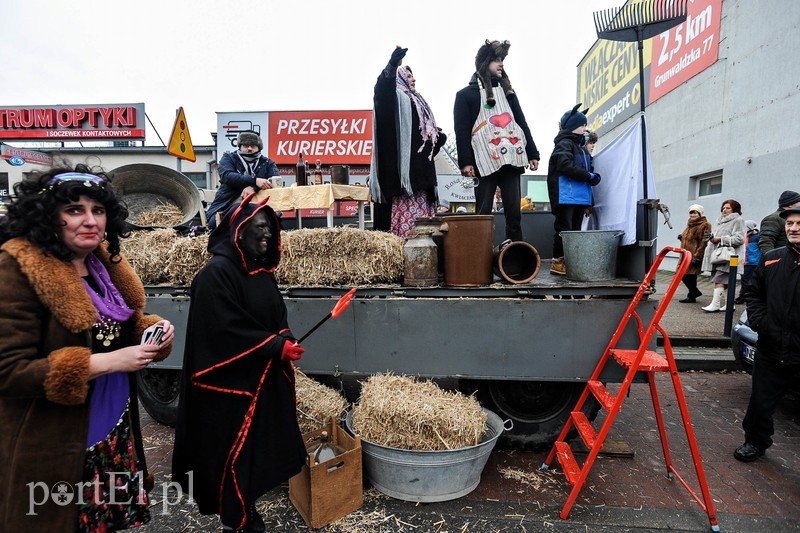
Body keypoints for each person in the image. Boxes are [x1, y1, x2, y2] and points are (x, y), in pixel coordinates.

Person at [0, 164, 175, 532]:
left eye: (98, 210)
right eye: (75, 210)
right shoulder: (18, 268)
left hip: (114, 432)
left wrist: (149, 332)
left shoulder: (102, 262)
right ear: (49, 215)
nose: (90, 220)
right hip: (59, 440)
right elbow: (9, 371)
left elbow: (114, 327)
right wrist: (109, 362)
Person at [172, 194, 307, 532]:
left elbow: (275, 316)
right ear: (239, 229)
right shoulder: (215, 275)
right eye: (260, 228)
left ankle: (247, 507)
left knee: (257, 452)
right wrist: (274, 346)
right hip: (227, 388)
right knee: (231, 455)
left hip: (259, 380)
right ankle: (239, 518)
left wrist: (285, 339)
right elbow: (223, 329)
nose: (268, 236)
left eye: (271, 230)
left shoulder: (261, 272)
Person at [454, 39, 539, 242]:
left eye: (502, 60)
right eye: (496, 59)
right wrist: (466, 161)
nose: (501, 64)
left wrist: (532, 153)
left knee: (514, 215)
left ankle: (515, 261)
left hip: (511, 159)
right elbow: (462, 131)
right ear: (485, 62)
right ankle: (479, 258)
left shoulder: (509, 94)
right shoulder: (466, 95)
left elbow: (521, 122)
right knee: (483, 213)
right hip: (484, 162)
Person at [734, 206, 800, 462]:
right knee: (761, 402)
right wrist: (761, 322)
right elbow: (754, 293)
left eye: (798, 224)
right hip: (772, 348)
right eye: (790, 224)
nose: (793, 228)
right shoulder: (772, 258)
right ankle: (755, 441)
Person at [369, 46, 446, 239]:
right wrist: (392, 66)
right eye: (409, 76)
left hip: (421, 183)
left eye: (413, 76)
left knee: (424, 234)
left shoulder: (419, 104)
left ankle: (422, 264)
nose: (414, 79)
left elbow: (421, 148)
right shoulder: (394, 100)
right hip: (403, 186)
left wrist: (437, 140)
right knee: (406, 234)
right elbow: (381, 92)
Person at [546, 104, 602, 275]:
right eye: (582, 125)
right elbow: (565, 166)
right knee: (564, 230)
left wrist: (588, 202)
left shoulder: (580, 148)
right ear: (572, 126)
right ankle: (558, 261)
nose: (585, 128)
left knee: (575, 232)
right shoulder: (564, 144)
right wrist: (589, 176)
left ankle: (570, 262)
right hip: (566, 196)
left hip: (579, 198)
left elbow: (585, 173)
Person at [206, 131, 280, 229]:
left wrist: (254, 188)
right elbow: (227, 176)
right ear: (240, 146)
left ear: (259, 147)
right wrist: (255, 181)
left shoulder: (267, 162)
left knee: (274, 223)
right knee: (213, 223)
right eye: (246, 145)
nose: (249, 148)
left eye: (253, 145)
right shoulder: (229, 158)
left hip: (259, 205)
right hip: (227, 205)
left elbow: (275, 182)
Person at [700, 199, 746, 312]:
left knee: (719, 279)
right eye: (723, 207)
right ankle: (730, 305)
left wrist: (720, 239)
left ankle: (715, 304)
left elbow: (740, 239)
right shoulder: (720, 221)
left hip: (729, 256)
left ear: (735, 209)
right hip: (718, 255)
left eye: (728, 208)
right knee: (726, 281)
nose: (724, 210)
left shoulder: (738, 220)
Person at [677, 204, 712, 303]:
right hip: (685, 254)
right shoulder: (690, 223)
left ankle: (693, 293)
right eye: (691, 213)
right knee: (687, 275)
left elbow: (704, 241)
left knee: (688, 275)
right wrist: (682, 237)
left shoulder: (705, 224)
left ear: (700, 213)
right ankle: (693, 293)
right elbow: (688, 237)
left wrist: (697, 256)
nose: (692, 215)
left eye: (695, 213)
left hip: (694, 254)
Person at [758, 190, 800, 255]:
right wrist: (772, 260)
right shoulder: (772, 219)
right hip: (780, 260)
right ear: (790, 205)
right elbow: (766, 242)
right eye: (789, 223)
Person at [734, 220, 760, 304]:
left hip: (752, 262)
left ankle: (743, 297)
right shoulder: (743, 236)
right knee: (745, 280)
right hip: (744, 261)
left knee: (746, 280)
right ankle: (747, 296)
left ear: (750, 228)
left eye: (746, 227)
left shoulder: (757, 237)